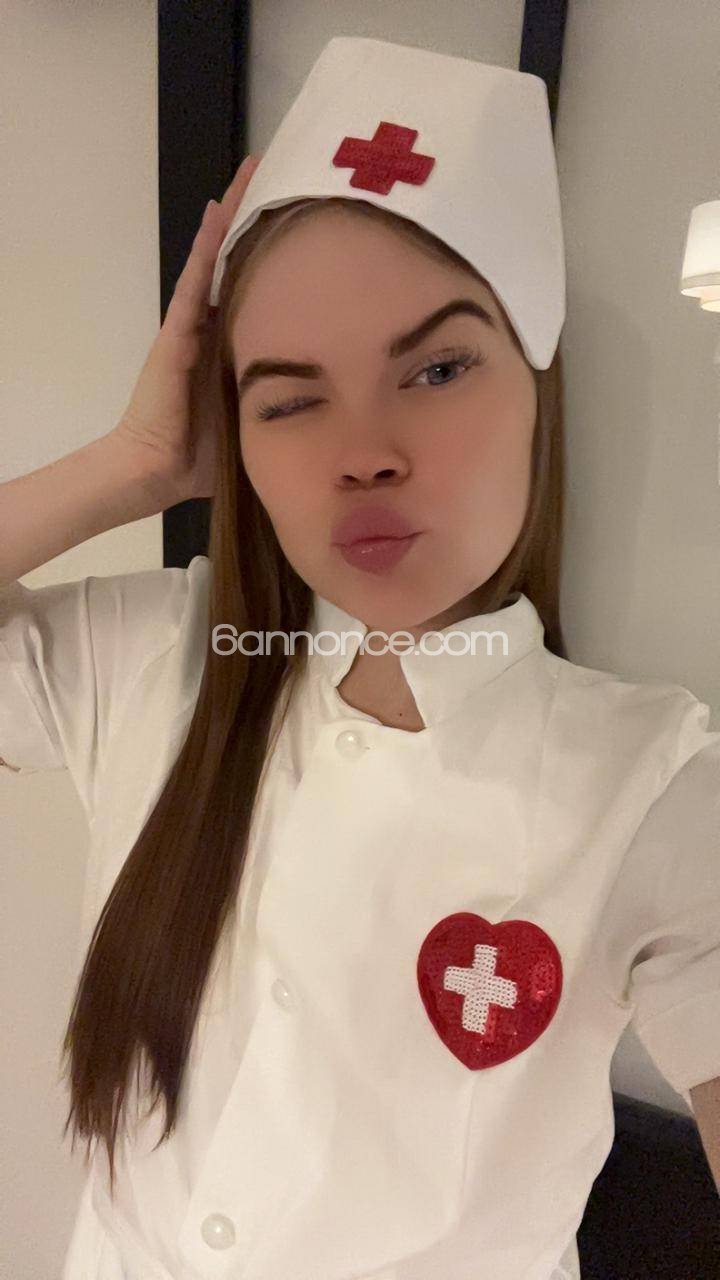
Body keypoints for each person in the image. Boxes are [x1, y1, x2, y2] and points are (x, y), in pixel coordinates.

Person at [2, 36, 719, 1280]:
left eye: (437, 368)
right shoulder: (154, 657)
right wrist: (133, 461)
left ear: (537, 390)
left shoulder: (654, 784)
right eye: (288, 399)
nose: (365, 452)